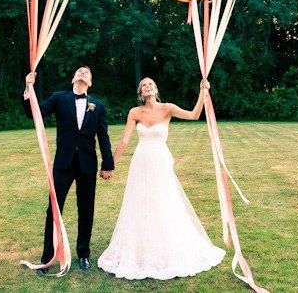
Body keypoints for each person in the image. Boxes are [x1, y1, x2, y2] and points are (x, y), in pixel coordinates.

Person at [98, 77, 225, 280]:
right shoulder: (135, 112)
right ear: (141, 92)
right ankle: (139, 248)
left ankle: (167, 245)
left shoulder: (167, 108)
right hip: (140, 162)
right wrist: (109, 165)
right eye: (143, 85)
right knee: (139, 202)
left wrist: (203, 92)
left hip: (160, 161)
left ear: (156, 89)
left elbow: (194, 115)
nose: (147, 87)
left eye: (150, 84)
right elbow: (124, 140)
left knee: (163, 200)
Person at [22, 66, 114, 273]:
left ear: (90, 82)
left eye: (87, 72)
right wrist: (29, 89)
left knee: (86, 209)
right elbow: (35, 114)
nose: (82, 73)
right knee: (53, 209)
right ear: (73, 78)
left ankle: (83, 254)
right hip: (63, 164)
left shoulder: (98, 106)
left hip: (87, 165)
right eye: (79, 71)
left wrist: (107, 164)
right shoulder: (59, 98)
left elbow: (103, 137)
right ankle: (48, 257)